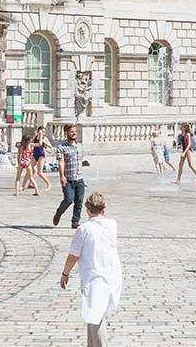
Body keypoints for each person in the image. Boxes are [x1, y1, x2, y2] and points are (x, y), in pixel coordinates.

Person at [59, 192, 121, 347]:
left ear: (87, 208)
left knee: (95, 317)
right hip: (112, 273)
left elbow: (73, 256)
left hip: (95, 277)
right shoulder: (112, 224)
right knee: (93, 315)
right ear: (103, 209)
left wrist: (65, 274)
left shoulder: (84, 229)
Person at [53, 125, 87, 230]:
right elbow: (61, 161)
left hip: (79, 178)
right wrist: (62, 176)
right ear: (66, 133)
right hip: (68, 178)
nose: (74, 133)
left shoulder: (79, 146)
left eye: (75, 131)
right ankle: (59, 212)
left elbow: (81, 159)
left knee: (79, 201)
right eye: (71, 131)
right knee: (68, 199)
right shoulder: (61, 147)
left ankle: (75, 221)